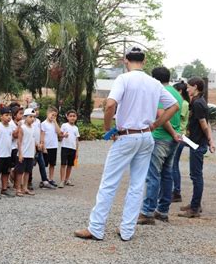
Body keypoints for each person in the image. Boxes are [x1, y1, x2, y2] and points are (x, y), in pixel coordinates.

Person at [74, 47, 179, 241]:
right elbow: (174, 106)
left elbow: (111, 104)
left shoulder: (124, 79)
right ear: (144, 60)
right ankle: (127, 230)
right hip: (146, 136)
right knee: (137, 184)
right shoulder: (154, 83)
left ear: (126, 60)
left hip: (126, 135)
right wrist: (156, 123)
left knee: (109, 182)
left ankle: (96, 228)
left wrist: (107, 129)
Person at [137, 67, 183, 225]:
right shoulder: (177, 93)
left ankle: (147, 212)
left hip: (161, 138)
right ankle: (163, 210)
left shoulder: (158, 91)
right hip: (174, 140)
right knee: (167, 174)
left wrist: (168, 131)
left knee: (153, 175)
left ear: (154, 79)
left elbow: (161, 114)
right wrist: (175, 134)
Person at [178, 77, 216, 218]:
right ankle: (195, 204)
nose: (187, 89)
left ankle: (194, 208)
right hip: (195, 141)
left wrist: (210, 140)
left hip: (198, 144)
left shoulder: (198, 103)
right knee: (195, 175)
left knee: (196, 176)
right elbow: (206, 123)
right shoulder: (197, 102)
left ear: (195, 87)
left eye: (189, 87)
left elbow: (204, 124)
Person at [171, 81, 190, 202]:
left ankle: (176, 191)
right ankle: (175, 190)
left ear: (180, 91)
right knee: (173, 164)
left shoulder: (183, 103)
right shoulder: (183, 102)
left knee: (173, 164)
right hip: (179, 135)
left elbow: (178, 116)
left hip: (180, 135)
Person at [0, 107, 15, 199]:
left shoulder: (11, 127)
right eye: (6, 115)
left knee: (6, 172)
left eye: (10, 115)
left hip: (7, 154)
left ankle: (4, 189)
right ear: (1, 116)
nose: (9, 117)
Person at [28, 102, 49, 190]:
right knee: (31, 165)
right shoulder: (28, 121)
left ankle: (44, 180)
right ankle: (29, 182)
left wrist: (41, 143)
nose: (37, 112)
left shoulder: (38, 121)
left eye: (37, 110)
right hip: (31, 146)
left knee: (42, 163)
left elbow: (39, 132)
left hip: (38, 146)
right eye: (35, 110)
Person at [41, 106, 63, 188]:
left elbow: (59, 132)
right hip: (46, 147)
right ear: (47, 113)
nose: (53, 117)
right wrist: (43, 147)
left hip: (54, 146)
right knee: (44, 164)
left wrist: (55, 122)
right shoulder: (43, 124)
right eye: (52, 114)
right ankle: (44, 179)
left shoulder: (54, 124)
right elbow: (42, 136)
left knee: (52, 164)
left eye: (55, 115)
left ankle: (51, 178)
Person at [16, 108, 36, 196]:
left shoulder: (33, 128)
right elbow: (19, 141)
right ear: (25, 117)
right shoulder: (22, 128)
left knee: (28, 171)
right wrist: (20, 153)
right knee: (20, 172)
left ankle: (25, 187)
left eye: (33, 117)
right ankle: (18, 189)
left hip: (30, 154)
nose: (32, 119)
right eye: (30, 117)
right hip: (23, 153)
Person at [59, 110, 80, 188]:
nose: (72, 117)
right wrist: (64, 135)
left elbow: (77, 140)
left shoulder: (76, 128)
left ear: (76, 117)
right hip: (65, 147)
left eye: (74, 116)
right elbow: (60, 136)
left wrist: (77, 151)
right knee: (63, 164)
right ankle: (62, 180)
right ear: (67, 117)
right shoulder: (64, 125)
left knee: (70, 165)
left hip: (73, 148)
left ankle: (67, 179)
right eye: (70, 116)